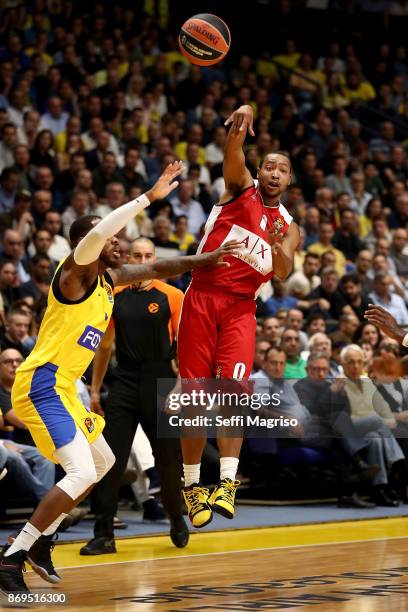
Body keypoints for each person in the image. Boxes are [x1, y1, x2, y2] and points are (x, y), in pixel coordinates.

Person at [0, 162, 238, 595]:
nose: (118, 243)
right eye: (110, 238)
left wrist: (209, 260)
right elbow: (94, 236)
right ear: (86, 245)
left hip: (64, 389)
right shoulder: (73, 275)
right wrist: (148, 197)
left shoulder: (111, 281)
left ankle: (41, 542)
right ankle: (12, 556)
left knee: (103, 463)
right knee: (77, 472)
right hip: (41, 383)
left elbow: (159, 269)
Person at [177, 104, 299, 528]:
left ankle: (227, 482)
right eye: (268, 165)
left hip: (241, 308)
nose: (273, 172)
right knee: (193, 400)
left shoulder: (289, 224)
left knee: (233, 394)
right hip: (203, 295)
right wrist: (240, 125)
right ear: (259, 171)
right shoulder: (239, 187)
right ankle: (192, 486)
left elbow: (282, 272)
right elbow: (234, 153)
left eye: (282, 169)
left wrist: (277, 242)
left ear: (289, 180)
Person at [81, 237, 188, 554]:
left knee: (168, 462)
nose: (143, 261)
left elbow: (185, 345)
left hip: (162, 383)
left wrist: (181, 385)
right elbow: (104, 345)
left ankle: (176, 517)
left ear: (156, 259)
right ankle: (104, 534)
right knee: (109, 460)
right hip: (125, 381)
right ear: (129, 259)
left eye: (148, 256)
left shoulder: (173, 296)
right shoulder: (115, 294)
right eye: (137, 255)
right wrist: (97, 388)